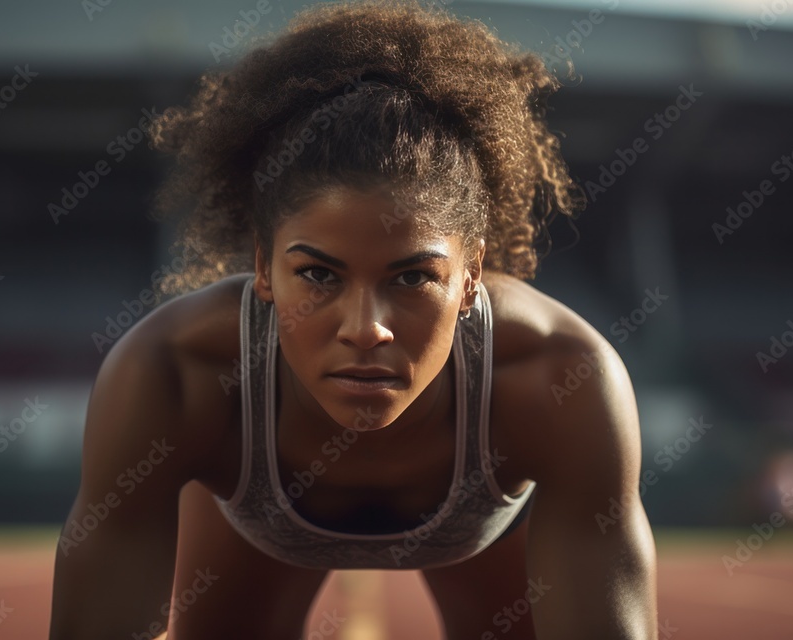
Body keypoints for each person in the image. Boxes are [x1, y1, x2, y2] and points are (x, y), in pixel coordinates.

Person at [48, 0, 658, 638]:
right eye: (318, 274)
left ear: (473, 274)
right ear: (262, 265)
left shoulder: (562, 375)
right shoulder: (176, 371)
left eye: (413, 277)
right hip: (254, 525)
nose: (366, 329)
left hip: (490, 530)